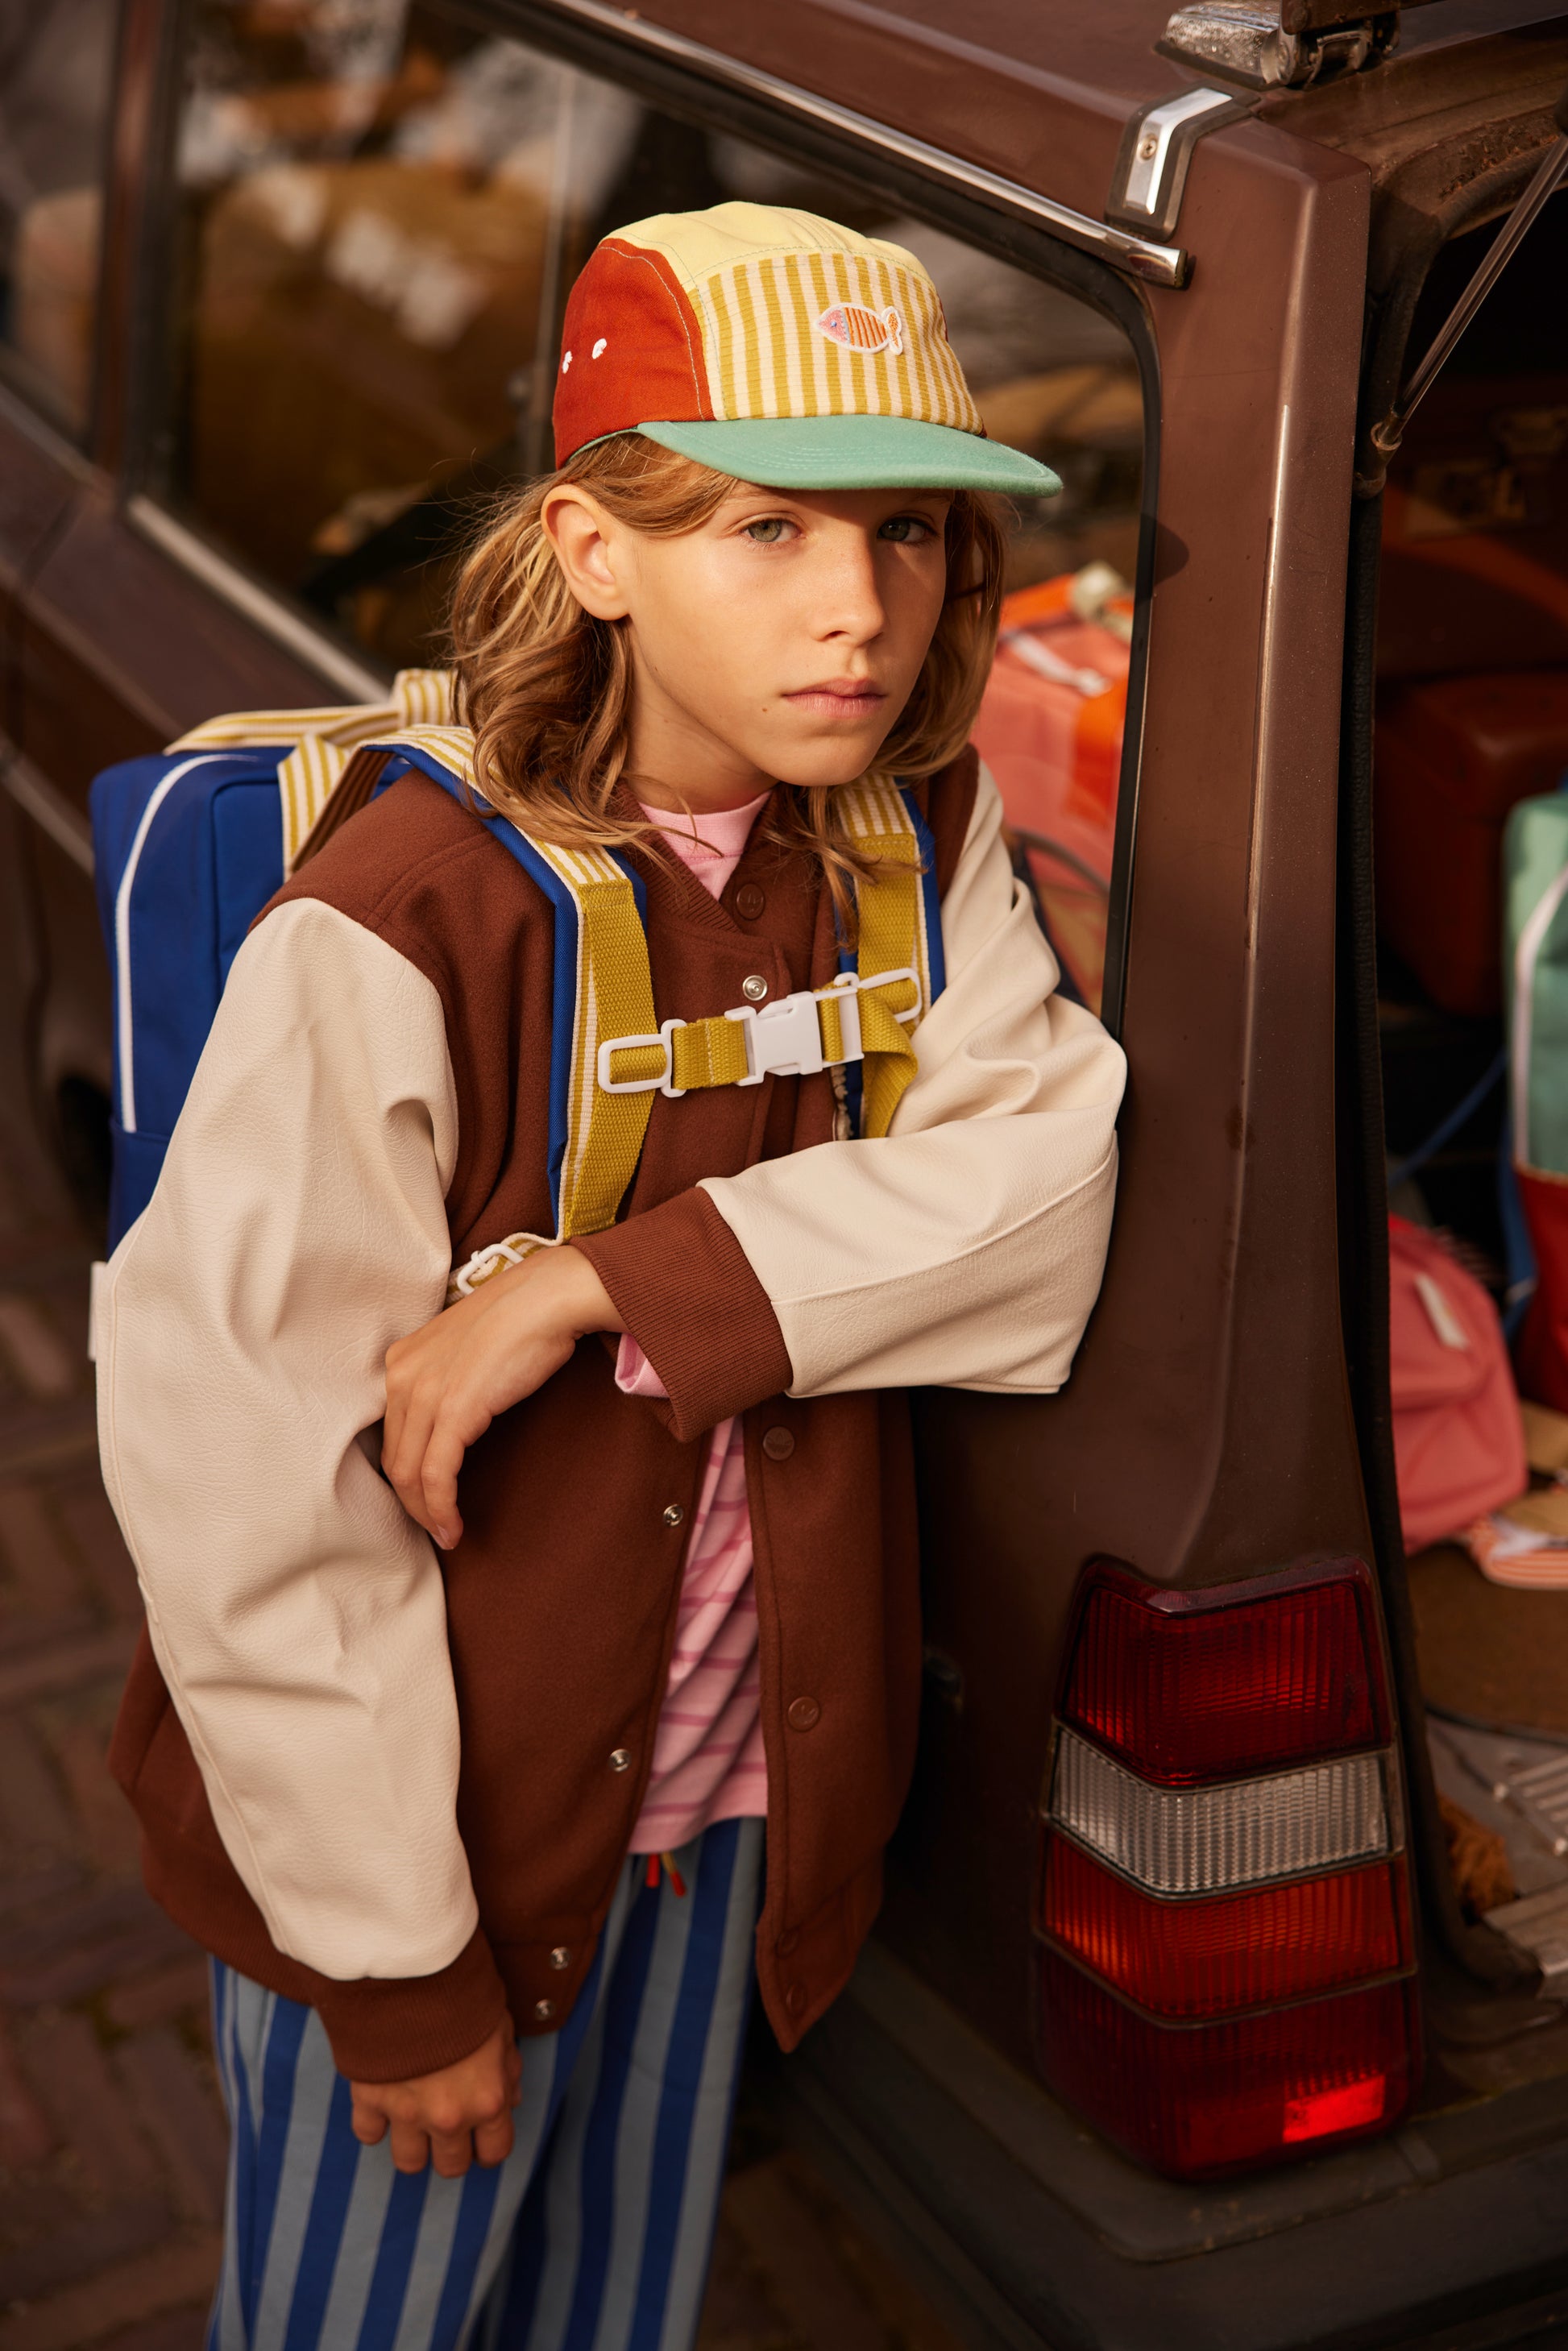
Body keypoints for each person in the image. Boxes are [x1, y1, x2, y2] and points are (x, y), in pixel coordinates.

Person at [97, 201, 1126, 2349]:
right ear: (591, 549)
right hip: (428, 1844)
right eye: (767, 528)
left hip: (725, 1804)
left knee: (613, 2308)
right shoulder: (406, 912)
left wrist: (593, 1287)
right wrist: (393, 1969)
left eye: (910, 532)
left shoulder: (905, 840)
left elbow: (1038, 1199)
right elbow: (242, 1480)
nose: (860, 607)